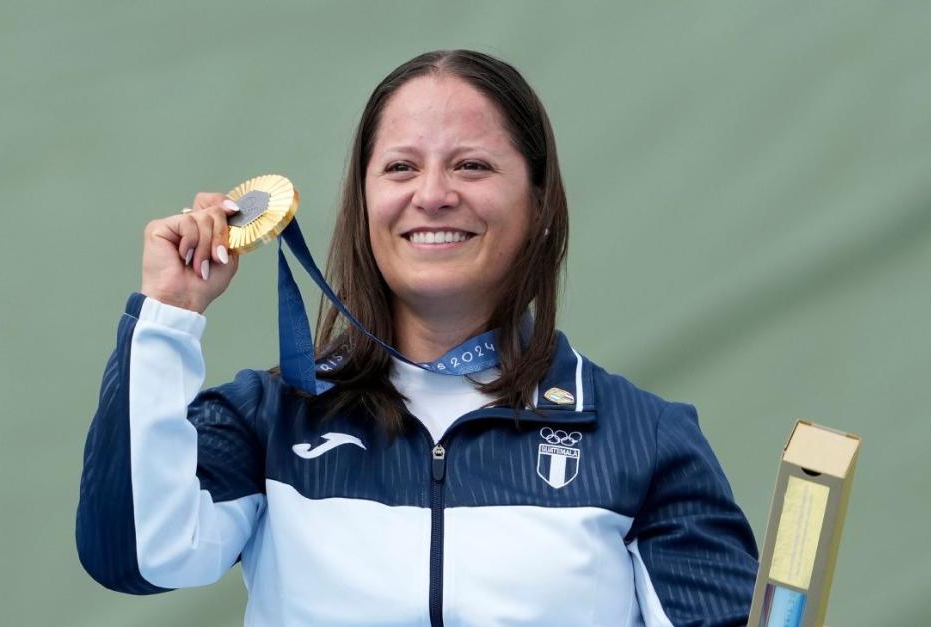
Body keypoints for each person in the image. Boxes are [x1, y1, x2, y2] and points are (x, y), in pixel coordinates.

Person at [76, 49, 759, 626]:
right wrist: (168, 314)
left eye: (472, 166)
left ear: (541, 205)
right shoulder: (271, 420)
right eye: (401, 167)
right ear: (365, 203)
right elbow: (135, 553)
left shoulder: (647, 442)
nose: (431, 195)